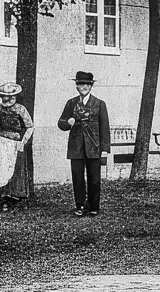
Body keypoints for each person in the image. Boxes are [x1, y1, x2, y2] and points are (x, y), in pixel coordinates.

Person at [57, 70, 111, 216]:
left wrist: (105, 149)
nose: (84, 86)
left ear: (91, 86)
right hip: (76, 147)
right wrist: (68, 123)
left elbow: (105, 128)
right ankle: (80, 205)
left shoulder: (99, 104)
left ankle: (94, 206)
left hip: (94, 146)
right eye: (81, 84)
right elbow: (61, 123)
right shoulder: (71, 103)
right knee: (77, 178)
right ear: (76, 86)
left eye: (87, 84)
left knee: (94, 179)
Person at [0, 82, 34, 211]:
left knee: (16, 168)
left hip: (16, 143)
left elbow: (30, 126)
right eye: (5, 96)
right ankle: (4, 197)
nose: (7, 99)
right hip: (2, 142)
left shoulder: (20, 109)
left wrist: (23, 141)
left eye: (10, 97)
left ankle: (17, 196)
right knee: (2, 168)